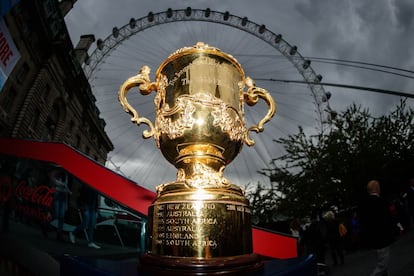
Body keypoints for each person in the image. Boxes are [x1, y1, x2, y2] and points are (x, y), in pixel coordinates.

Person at [360, 180, 396, 276]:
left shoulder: (363, 204)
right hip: (382, 238)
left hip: (373, 240)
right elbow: (387, 219)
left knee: (382, 264)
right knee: (382, 265)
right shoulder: (381, 201)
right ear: (375, 188)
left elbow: (363, 222)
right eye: (378, 186)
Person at [69, 184, 100, 249]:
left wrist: (96, 208)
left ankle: (90, 242)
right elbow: (81, 196)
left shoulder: (96, 186)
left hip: (93, 207)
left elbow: (96, 198)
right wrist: (81, 205)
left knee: (92, 224)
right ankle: (73, 233)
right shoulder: (86, 185)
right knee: (85, 223)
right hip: (86, 206)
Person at [50, 168, 71, 241]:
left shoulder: (66, 175)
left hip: (63, 195)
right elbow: (54, 181)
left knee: (62, 216)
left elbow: (66, 185)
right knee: (56, 214)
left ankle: (59, 234)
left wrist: (68, 191)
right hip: (58, 193)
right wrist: (62, 184)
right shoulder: (57, 172)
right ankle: (46, 225)